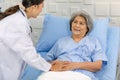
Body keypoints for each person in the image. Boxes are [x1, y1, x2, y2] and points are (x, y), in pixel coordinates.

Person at [37, 10, 108, 80]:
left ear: (87, 28)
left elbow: (98, 65)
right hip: (58, 73)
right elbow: (45, 61)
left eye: (81, 23)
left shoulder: (93, 42)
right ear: (71, 25)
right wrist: (55, 64)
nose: (77, 25)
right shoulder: (61, 41)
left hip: (81, 74)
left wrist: (75, 65)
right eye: (75, 22)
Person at [0, 0, 52, 80]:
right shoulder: (18, 23)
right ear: (34, 7)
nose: (42, 10)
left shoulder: (19, 19)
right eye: (42, 7)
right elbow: (28, 53)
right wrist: (49, 67)